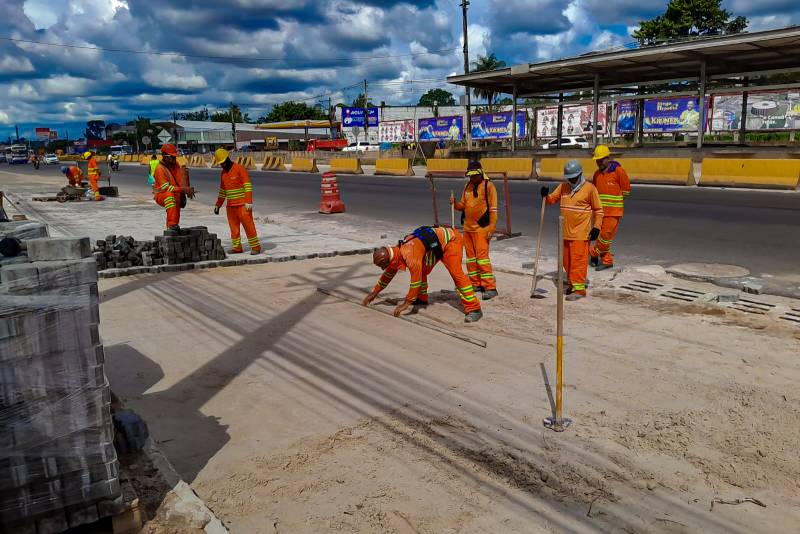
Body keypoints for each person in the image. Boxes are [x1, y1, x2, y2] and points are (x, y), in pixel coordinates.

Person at [363, 226, 482, 322]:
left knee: (456, 274)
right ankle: (421, 298)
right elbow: (388, 275)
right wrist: (374, 293)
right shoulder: (395, 253)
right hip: (435, 245)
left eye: (384, 266)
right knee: (423, 269)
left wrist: (406, 303)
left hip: (451, 240)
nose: (385, 269)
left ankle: (474, 308)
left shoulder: (410, 255)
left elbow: (415, 282)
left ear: (389, 260)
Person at [541, 160, 603, 301]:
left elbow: (599, 210)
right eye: (569, 178)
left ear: (580, 174)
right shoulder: (563, 187)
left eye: (574, 178)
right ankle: (571, 283)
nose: (572, 180)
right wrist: (545, 195)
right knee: (566, 261)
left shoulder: (589, 189)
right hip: (565, 233)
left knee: (578, 262)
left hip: (581, 234)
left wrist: (596, 228)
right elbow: (551, 200)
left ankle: (579, 289)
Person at [450, 160, 498, 299]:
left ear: (480, 173)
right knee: (471, 259)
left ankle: (490, 287)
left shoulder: (489, 186)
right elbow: (463, 206)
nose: (472, 178)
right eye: (470, 176)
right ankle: (475, 283)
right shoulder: (467, 186)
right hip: (468, 229)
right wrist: (454, 204)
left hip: (482, 229)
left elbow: (494, 209)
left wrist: (492, 228)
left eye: (474, 176)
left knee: (482, 259)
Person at [589, 145, 630, 270]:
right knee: (601, 237)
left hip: (614, 212)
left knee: (606, 237)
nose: (599, 162)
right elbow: (594, 192)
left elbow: (626, 190)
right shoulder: (596, 174)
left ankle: (593, 253)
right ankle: (607, 260)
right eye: (597, 160)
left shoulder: (618, 171)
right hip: (599, 212)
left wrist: (616, 203)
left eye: (601, 159)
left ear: (608, 158)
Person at [212, 148, 261, 255]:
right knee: (234, 229)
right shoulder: (223, 174)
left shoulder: (239, 169)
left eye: (223, 162)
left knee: (249, 226)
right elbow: (222, 191)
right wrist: (218, 205)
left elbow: (247, 185)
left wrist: (249, 201)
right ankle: (237, 248)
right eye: (221, 164)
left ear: (228, 158)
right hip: (231, 206)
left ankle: (255, 247)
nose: (223, 165)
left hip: (243, 205)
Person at [152, 144, 194, 230]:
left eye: (175, 157)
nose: (174, 159)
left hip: (175, 192)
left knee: (176, 204)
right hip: (161, 195)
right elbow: (166, 188)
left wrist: (187, 188)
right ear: (165, 156)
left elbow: (179, 180)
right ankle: (171, 225)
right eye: (172, 157)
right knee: (169, 196)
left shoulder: (176, 165)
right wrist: (184, 190)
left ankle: (173, 227)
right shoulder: (159, 169)